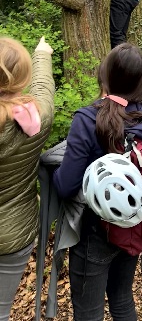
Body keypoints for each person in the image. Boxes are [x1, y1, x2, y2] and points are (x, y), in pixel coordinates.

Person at [53, 43, 142, 321]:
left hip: (94, 232)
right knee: (122, 299)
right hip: (131, 225)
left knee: (88, 313)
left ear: (105, 76)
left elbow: (65, 185)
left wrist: (52, 171)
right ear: (140, 82)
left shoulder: (88, 119)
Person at [0, 36, 54, 321]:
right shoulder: (34, 119)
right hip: (15, 233)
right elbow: (43, 91)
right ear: (21, 79)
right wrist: (42, 54)